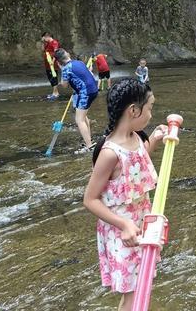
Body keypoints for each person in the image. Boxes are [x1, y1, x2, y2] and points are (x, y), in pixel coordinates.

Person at [83, 78, 168, 311]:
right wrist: (124, 225)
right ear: (133, 110)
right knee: (133, 294)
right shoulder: (110, 153)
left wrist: (157, 140)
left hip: (141, 223)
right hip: (122, 232)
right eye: (149, 108)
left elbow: (136, 165)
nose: (151, 115)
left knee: (142, 285)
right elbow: (90, 199)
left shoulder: (136, 137)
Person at [55, 49, 99, 151]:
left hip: (85, 93)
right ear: (68, 55)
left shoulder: (66, 69)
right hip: (93, 89)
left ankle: (89, 145)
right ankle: (89, 140)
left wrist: (62, 70)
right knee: (83, 117)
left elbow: (64, 85)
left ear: (59, 62)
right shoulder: (79, 62)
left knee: (79, 120)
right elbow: (90, 74)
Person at [41, 32, 61, 100]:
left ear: (47, 36)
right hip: (48, 64)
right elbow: (43, 50)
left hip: (53, 64)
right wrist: (43, 43)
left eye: (44, 38)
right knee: (50, 77)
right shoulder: (47, 43)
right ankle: (55, 92)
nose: (44, 40)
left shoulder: (54, 42)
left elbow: (56, 52)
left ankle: (56, 93)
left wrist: (52, 61)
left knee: (53, 77)